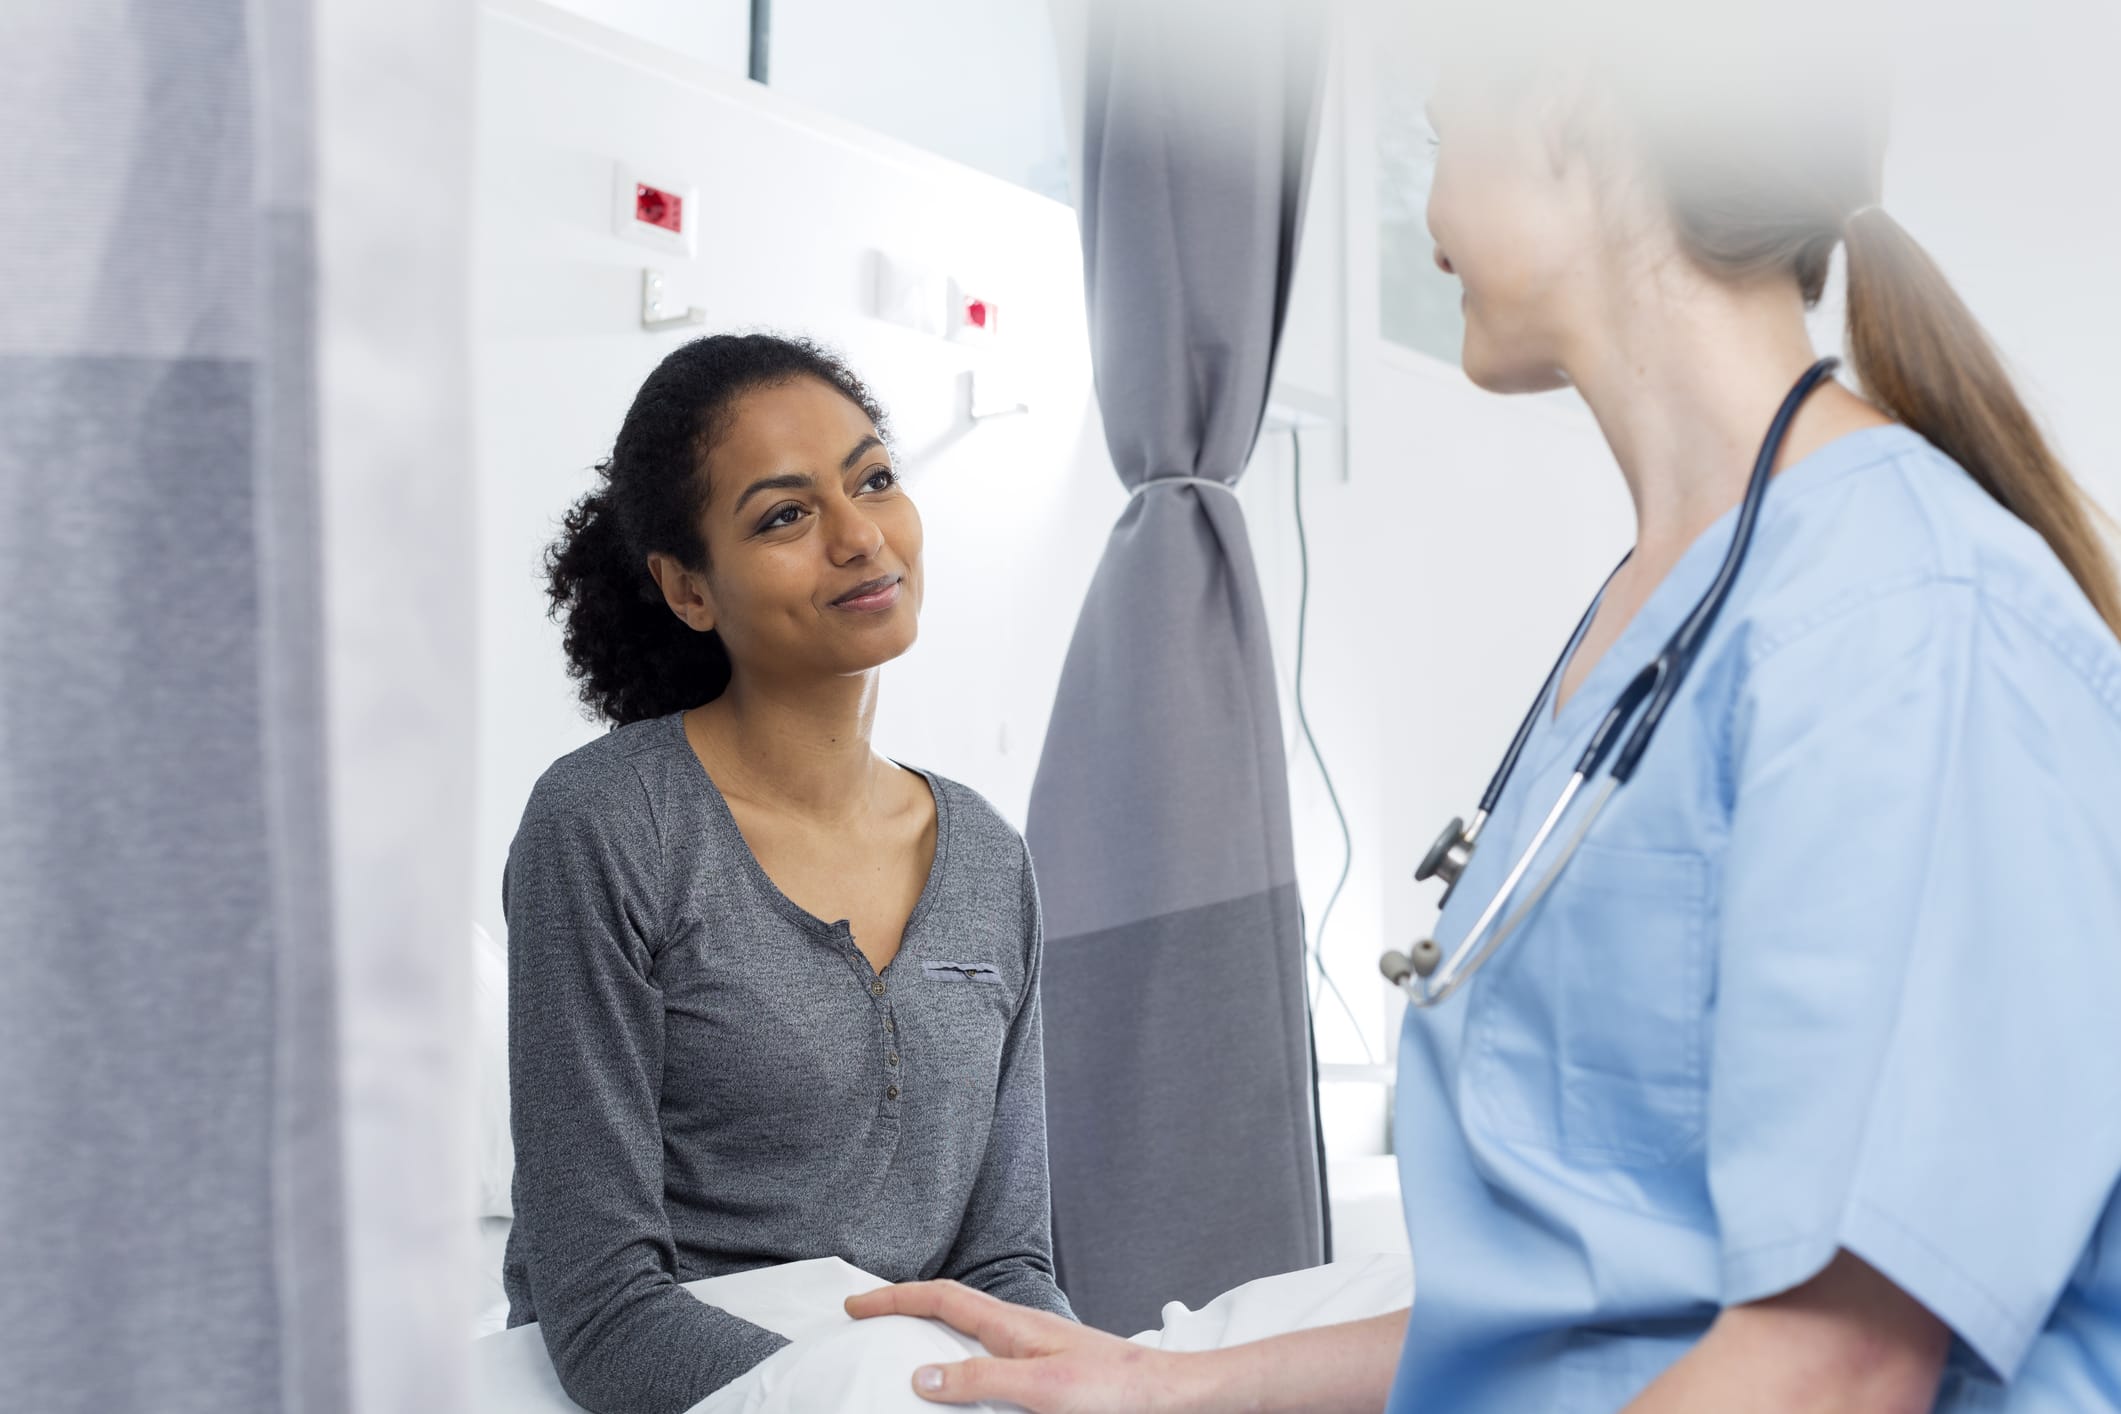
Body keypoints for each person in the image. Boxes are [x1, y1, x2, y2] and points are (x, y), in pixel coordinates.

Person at [845, 4, 2121, 1409]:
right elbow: (1574, 1306)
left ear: (1570, 105)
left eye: (1437, 132)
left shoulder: (1905, 618)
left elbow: (1835, 1365)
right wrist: (1172, 1382)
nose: (1432, 207)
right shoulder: (1658, 601)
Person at [503, 334, 1073, 1414]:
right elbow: (603, 1306)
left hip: (913, 1385)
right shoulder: (606, 825)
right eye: (785, 515)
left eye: (874, 479)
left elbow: (1007, 1265)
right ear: (687, 588)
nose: (862, 538)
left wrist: (1084, 1383)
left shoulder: (990, 857)